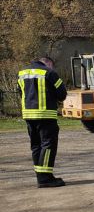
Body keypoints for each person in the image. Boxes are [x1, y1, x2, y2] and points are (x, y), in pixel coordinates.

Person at [18, 57, 67, 188]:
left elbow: (20, 93)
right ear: (49, 63)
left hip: (28, 116)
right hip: (46, 115)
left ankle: (42, 176)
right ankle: (45, 178)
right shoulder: (49, 73)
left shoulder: (22, 73)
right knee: (48, 145)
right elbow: (62, 94)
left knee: (36, 146)